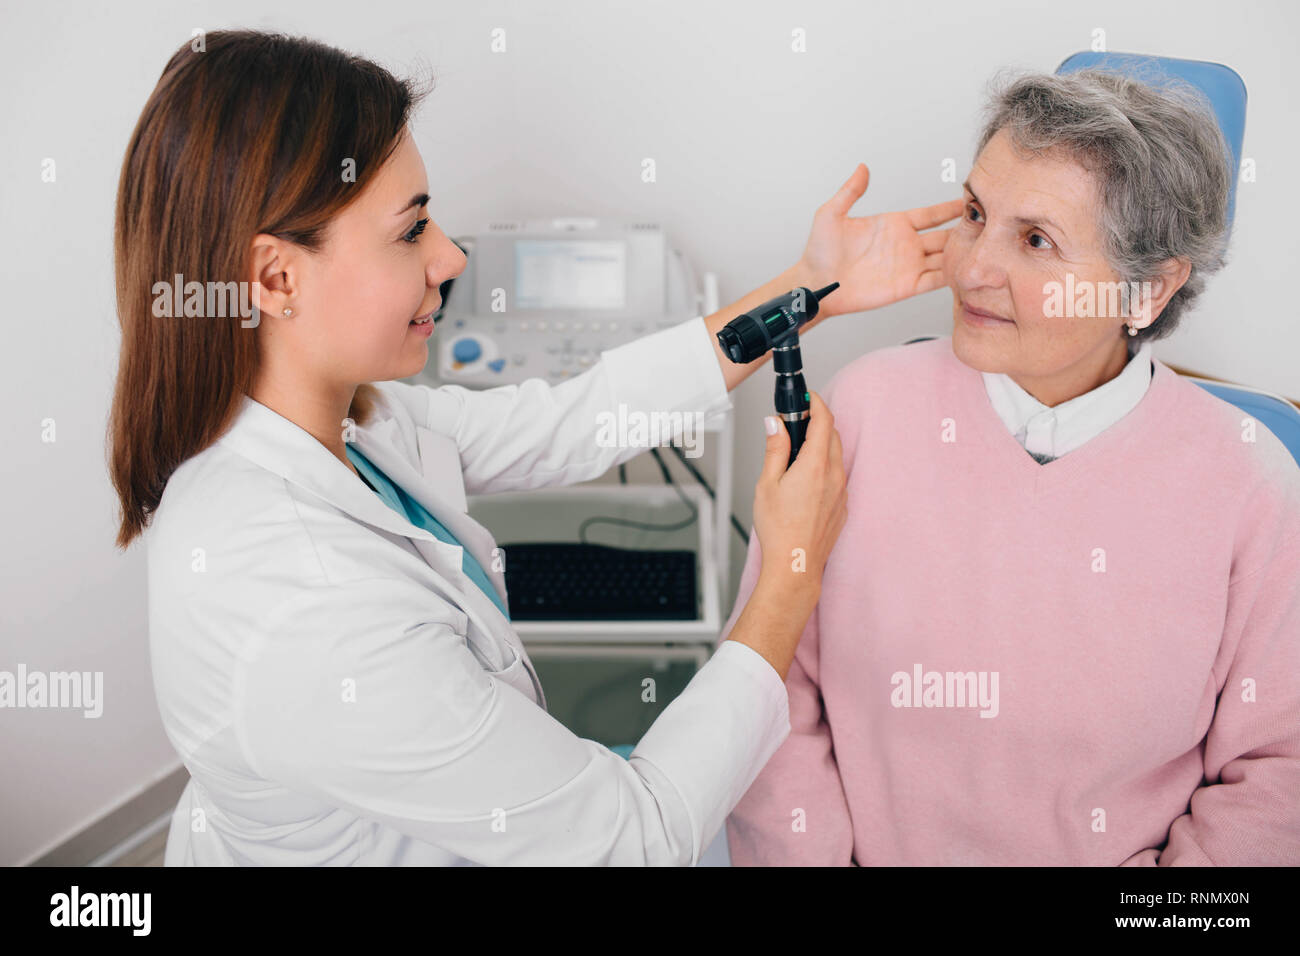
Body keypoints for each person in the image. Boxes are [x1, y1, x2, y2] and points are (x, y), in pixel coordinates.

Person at [107, 30, 961, 865]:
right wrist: (792, 573)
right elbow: (634, 839)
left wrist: (806, 287)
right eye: (410, 231)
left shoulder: (343, 423)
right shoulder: (304, 613)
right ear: (275, 278)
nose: (449, 255)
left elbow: (573, 419)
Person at [723, 68, 1300, 866]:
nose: (969, 269)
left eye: (1035, 241)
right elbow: (769, 686)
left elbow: (1279, 777)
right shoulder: (860, 413)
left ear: (1147, 290)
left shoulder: (1250, 486)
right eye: (975, 214)